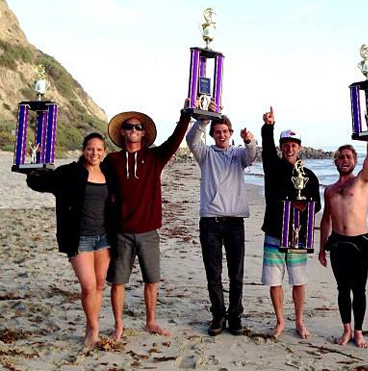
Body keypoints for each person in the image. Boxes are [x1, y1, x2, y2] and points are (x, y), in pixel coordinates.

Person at [105, 107, 190, 341]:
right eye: (129, 127)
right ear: (122, 132)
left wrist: (186, 114)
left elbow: (175, 140)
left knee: (151, 279)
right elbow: (96, 185)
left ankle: (150, 321)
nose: (133, 130)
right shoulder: (111, 160)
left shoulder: (155, 158)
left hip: (149, 232)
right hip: (121, 232)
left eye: (138, 127)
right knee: (118, 281)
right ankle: (119, 325)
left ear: (143, 134)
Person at [27, 133, 117, 346]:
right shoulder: (69, 172)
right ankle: (93, 330)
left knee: (99, 285)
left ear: (104, 152)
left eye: (98, 149)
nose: (94, 153)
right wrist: (33, 162)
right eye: (90, 149)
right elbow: (40, 183)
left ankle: (91, 326)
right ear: (84, 150)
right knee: (88, 286)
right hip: (79, 239)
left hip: (104, 238)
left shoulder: (108, 174)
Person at [186, 105, 257, 336]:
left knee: (236, 273)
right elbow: (191, 138)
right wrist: (204, 119)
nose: (222, 135)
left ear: (231, 132)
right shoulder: (205, 154)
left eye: (225, 131)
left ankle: (235, 316)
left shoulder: (238, 154)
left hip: (235, 222)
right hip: (210, 221)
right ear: (213, 134)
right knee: (213, 273)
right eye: (218, 131)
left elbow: (251, 155)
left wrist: (249, 141)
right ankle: (218, 315)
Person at [260, 106, 321, 339]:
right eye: (285, 144)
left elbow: (317, 205)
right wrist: (268, 126)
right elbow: (266, 148)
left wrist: (302, 208)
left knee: (298, 281)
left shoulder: (309, 176)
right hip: (274, 232)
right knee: (274, 281)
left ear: (299, 147)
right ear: (281, 146)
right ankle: (280, 322)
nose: (289, 147)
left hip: (297, 236)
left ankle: (299, 321)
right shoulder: (272, 167)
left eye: (293, 144)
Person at [319, 139, 368, 348]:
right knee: (342, 289)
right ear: (335, 162)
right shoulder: (330, 190)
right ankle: (346, 329)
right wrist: (321, 247)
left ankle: (359, 332)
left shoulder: (361, 181)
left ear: (355, 161)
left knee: (359, 289)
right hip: (337, 244)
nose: (345, 160)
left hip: (359, 242)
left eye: (349, 157)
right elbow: (326, 219)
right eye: (341, 157)